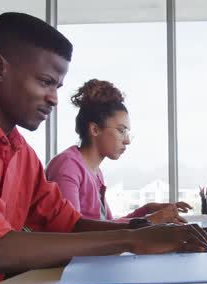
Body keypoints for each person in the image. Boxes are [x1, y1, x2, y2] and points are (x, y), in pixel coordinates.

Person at [0, 12, 207, 284]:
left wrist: (145, 230)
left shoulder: (20, 152)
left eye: (57, 87)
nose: (54, 99)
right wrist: (131, 240)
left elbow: (69, 224)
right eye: (46, 82)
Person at [46, 79, 191, 224]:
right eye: (121, 131)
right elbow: (72, 229)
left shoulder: (95, 173)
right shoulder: (68, 166)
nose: (127, 140)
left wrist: (147, 210)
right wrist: (151, 220)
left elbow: (108, 226)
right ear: (95, 130)